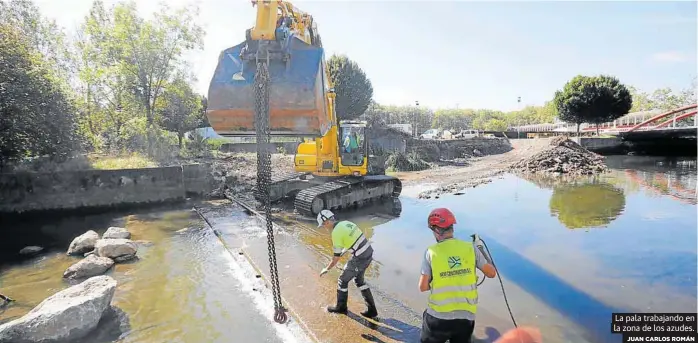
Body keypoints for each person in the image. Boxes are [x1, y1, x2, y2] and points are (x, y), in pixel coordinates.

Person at [418, 208, 498, 343]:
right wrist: (481, 249)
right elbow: (491, 273)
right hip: (465, 319)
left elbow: (423, 287)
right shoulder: (470, 248)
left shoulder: (431, 252)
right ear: (452, 227)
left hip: (438, 319)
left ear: (436, 230)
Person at [317, 209, 378, 318]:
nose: (324, 227)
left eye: (323, 225)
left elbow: (335, 259)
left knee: (342, 280)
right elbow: (353, 240)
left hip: (360, 258)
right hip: (368, 252)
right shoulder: (346, 223)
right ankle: (372, 310)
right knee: (359, 281)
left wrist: (326, 268)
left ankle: (341, 307)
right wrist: (343, 251)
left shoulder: (335, 233)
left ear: (327, 222)